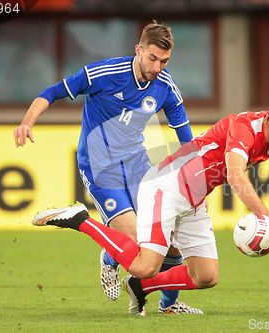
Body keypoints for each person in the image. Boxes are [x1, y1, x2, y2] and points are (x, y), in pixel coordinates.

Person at [32, 89, 269, 316]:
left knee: (206, 276)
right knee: (144, 262)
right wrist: (266, 214)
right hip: (167, 186)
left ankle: (140, 288)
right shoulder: (246, 128)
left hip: (194, 198)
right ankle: (81, 219)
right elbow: (237, 175)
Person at [14, 21, 203, 314]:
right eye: (152, 58)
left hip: (139, 166)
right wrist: (27, 122)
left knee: (171, 241)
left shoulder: (165, 87)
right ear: (138, 50)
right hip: (101, 168)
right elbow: (51, 92)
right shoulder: (103, 74)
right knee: (137, 244)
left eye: (164, 61)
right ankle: (109, 258)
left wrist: (193, 174)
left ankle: (169, 305)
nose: (157, 66)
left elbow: (186, 139)